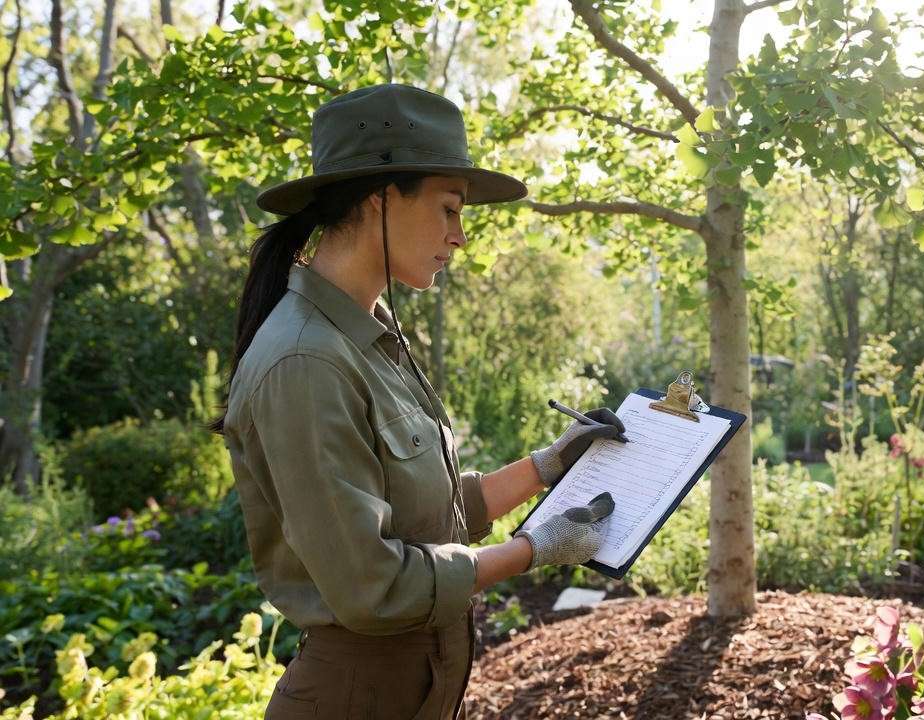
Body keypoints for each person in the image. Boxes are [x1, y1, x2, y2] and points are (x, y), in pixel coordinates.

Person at [209, 83, 623, 720]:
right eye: (449, 209)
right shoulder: (307, 359)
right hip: (358, 696)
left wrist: (547, 466)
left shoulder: (367, 334)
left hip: (412, 688)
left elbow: (426, 518)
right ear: (380, 199)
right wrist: (533, 551)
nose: (460, 237)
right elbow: (374, 585)